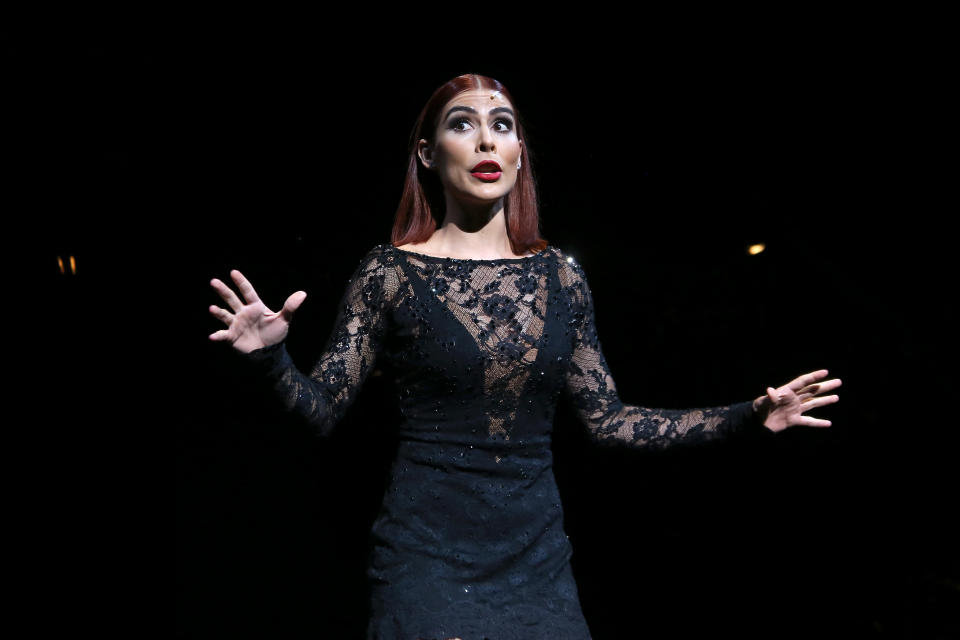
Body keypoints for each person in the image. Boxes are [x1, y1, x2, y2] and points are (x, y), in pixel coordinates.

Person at [206, 74, 841, 640]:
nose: (487, 142)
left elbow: (609, 421)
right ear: (427, 153)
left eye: (501, 126)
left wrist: (748, 415)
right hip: (426, 559)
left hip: (537, 567)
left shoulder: (561, 276)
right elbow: (321, 411)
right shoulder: (389, 272)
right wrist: (271, 360)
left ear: (518, 153)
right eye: (464, 125)